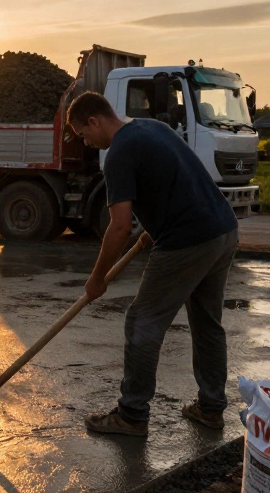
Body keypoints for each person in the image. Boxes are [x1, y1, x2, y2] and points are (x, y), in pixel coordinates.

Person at [68, 92, 239, 437]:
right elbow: (179, 179)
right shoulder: (152, 128)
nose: (86, 143)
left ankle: (131, 415)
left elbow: (119, 227)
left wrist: (97, 278)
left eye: (83, 135)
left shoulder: (118, 153)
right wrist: (153, 227)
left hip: (187, 241)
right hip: (223, 230)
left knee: (141, 321)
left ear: (95, 121)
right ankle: (210, 409)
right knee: (207, 324)